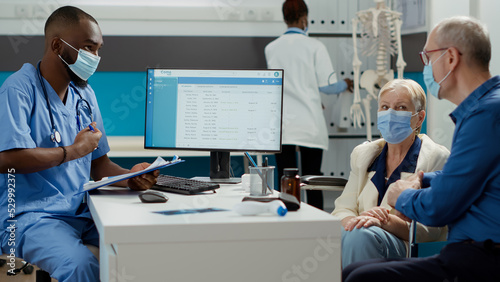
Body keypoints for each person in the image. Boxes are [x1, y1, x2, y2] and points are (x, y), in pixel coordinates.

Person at [0, 6, 159, 282]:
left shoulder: (84, 95)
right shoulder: (18, 89)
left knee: (143, 244)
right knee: (81, 266)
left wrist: (132, 177)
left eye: (98, 49)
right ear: (57, 45)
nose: (95, 58)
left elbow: (100, 166)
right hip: (30, 216)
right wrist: (73, 151)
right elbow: (8, 159)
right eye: (88, 48)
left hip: (81, 209)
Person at [343, 16, 500, 282]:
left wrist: (398, 194)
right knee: (354, 271)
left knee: (360, 277)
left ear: (450, 58)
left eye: (428, 57)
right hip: (470, 252)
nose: (426, 67)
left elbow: (440, 208)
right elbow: (467, 179)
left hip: (479, 257)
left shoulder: (485, 115)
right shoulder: (482, 110)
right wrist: (425, 179)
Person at [332, 79, 449, 268]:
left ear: (419, 118)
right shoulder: (364, 155)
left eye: (401, 107)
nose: (391, 114)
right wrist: (357, 222)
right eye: (385, 107)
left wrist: (383, 221)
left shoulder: (435, 158)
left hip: (402, 245)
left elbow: (432, 229)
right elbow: (342, 209)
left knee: (358, 237)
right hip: (356, 234)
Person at [265, 0, 353, 210]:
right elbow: (328, 86)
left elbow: (276, 86)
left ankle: (287, 221)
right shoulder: (315, 46)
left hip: (282, 125)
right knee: (313, 181)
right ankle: (315, 221)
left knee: (285, 181)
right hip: (309, 124)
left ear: (285, 18)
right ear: (305, 18)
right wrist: (345, 84)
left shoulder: (271, 49)